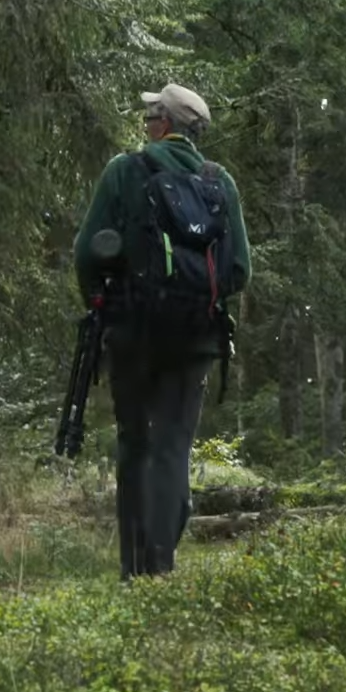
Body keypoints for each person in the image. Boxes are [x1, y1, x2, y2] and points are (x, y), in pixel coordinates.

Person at [73, 83, 251, 578]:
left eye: (151, 116)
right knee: (174, 444)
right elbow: (239, 270)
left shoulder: (124, 171)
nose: (147, 124)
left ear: (164, 125)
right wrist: (198, 299)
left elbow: (87, 253)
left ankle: (135, 567)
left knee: (134, 442)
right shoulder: (220, 181)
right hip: (195, 337)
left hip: (132, 331)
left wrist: (101, 302)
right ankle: (163, 562)